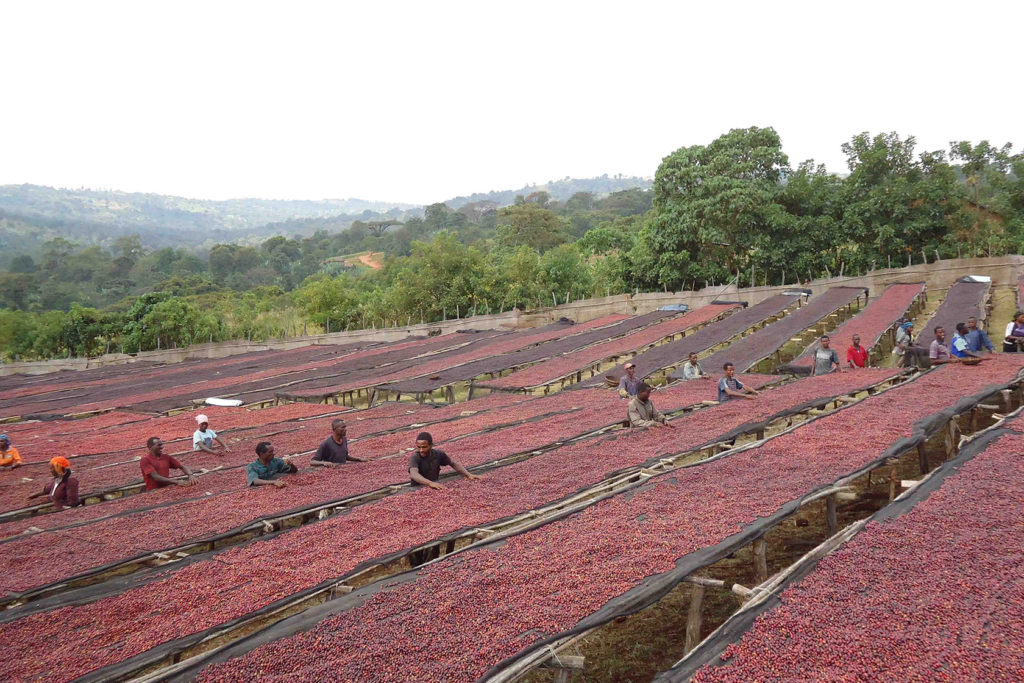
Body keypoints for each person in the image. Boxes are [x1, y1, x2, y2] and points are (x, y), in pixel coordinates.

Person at [408, 431, 481, 490]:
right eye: (418, 447)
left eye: (424, 447)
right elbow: (414, 474)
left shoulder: (438, 454)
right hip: (417, 489)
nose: (421, 450)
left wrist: (469, 475)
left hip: (435, 486)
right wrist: (430, 483)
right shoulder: (415, 457)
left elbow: (453, 463)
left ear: (431, 445)